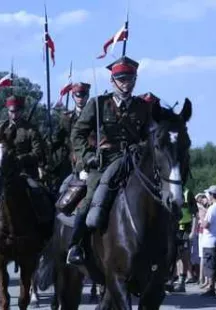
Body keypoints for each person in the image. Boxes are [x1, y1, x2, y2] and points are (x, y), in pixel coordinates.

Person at [66, 56, 158, 265]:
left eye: (130, 79)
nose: (126, 84)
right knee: (90, 198)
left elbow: (149, 136)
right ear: (112, 81)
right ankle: (76, 245)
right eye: (122, 79)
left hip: (134, 161)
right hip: (105, 162)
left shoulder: (142, 107)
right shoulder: (98, 104)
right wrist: (87, 156)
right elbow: (77, 134)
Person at [0, 95, 54, 236]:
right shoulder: (2, 128)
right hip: (4, 173)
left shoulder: (30, 130)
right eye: (11, 111)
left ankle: (44, 227)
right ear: (8, 111)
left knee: (37, 192)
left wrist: (19, 159)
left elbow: (38, 153)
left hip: (25, 173)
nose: (14, 114)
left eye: (17, 111)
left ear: (22, 111)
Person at [53, 83, 91, 195]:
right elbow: (58, 140)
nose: (80, 99)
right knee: (62, 191)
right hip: (71, 163)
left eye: (83, 96)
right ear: (73, 96)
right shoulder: (66, 118)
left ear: (87, 96)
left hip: (89, 159)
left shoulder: (94, 115)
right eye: (77, 96)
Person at [174, 187, 198, 292]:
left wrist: (193, 231)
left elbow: (195, 214)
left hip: (185, 229)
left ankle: (182, 282)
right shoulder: (170, 189)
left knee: (184, 254)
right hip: (173, 227)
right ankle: (175, 279)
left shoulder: (188, 193)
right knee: (176, 255)